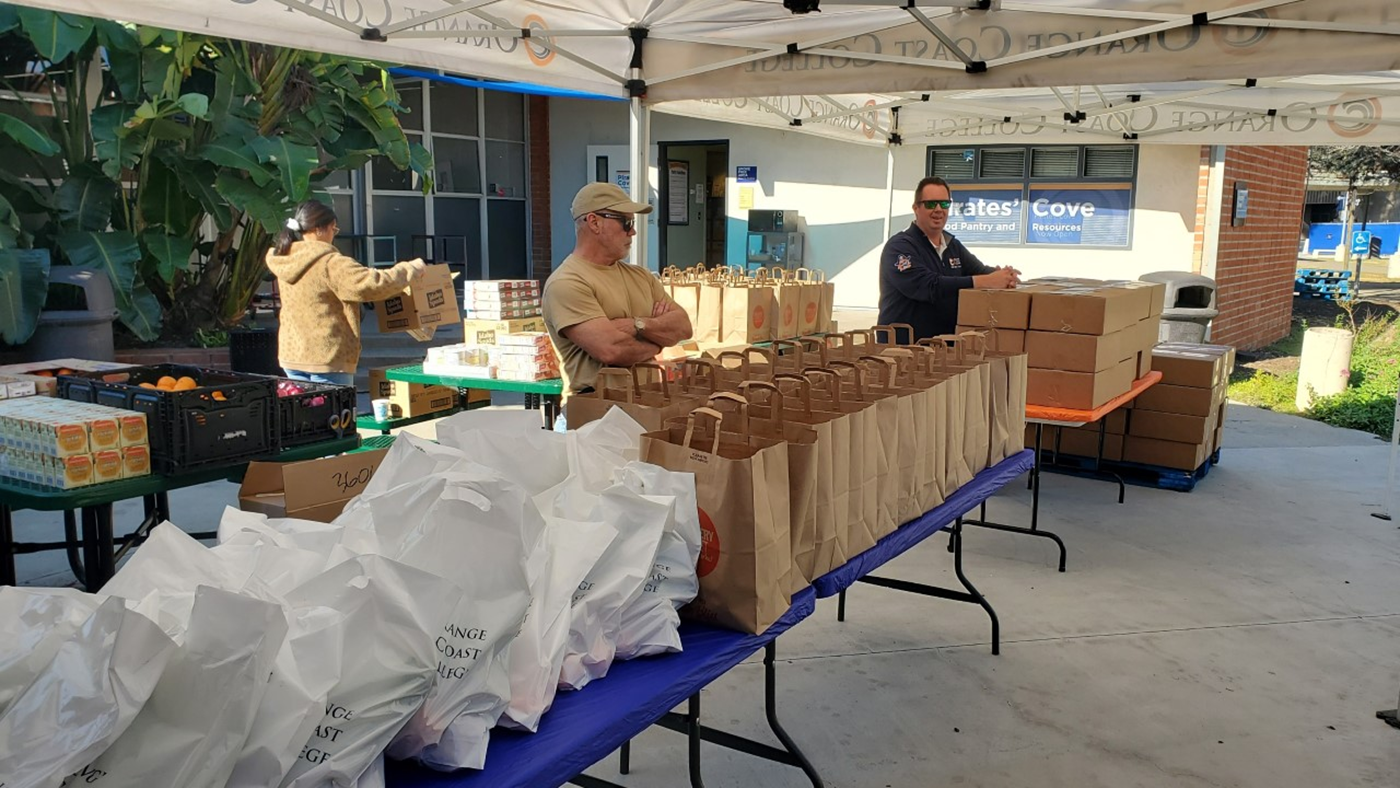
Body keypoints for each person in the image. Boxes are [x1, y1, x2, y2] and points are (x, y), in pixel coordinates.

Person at [542, 183, 693, 395]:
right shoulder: (567, 283)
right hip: (594, 410)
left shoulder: (640, 276)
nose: (633, 231)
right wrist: (658, 343)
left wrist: (638, 325)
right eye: (626, 222)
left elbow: (684, 327)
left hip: (647, 401)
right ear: (594, 222)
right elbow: (612, 350)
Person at [266, 200, 427, 386]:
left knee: (303, 412)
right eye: (334, 229)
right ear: (320, 229)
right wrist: (411, 269)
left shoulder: (285, 258)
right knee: (334, 414)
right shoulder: (330, 262)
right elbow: (373, 284)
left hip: (292, 353)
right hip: (327, 356)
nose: (334, 235)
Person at [878, 176, 1021, 341]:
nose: (939, 209)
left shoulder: (952, 245)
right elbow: (928, 286)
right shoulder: (900, 247)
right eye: (931, 204)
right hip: (902, 350)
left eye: (944, 204)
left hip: (943, 349)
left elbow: (980, 271)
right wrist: (987, 281)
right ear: (916, 208)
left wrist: (1004, 277)